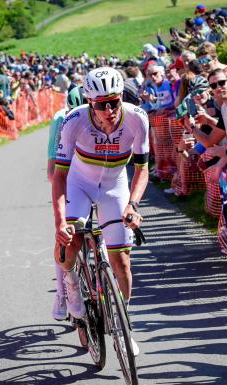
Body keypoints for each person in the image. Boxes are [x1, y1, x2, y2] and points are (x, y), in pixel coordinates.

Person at [52, 67, 149, 356]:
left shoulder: (137, 118)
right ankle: (70, 284)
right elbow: (58, 176)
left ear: (122, 98)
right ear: (89, 102)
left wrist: (133, 204)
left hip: (114, 186)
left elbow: (142, 170)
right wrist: (60, 222)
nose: (108, 109)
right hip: (79, 184)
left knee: (122, 264)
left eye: (114, 102)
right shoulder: (73, 121)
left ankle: (121, 325)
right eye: (101, 104)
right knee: (72, 240)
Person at [48, 86, 87, 321]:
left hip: (94, 181)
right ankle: (62, 293)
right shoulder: (60, 119)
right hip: (68, 178)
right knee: (65, 237)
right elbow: (52, 168)